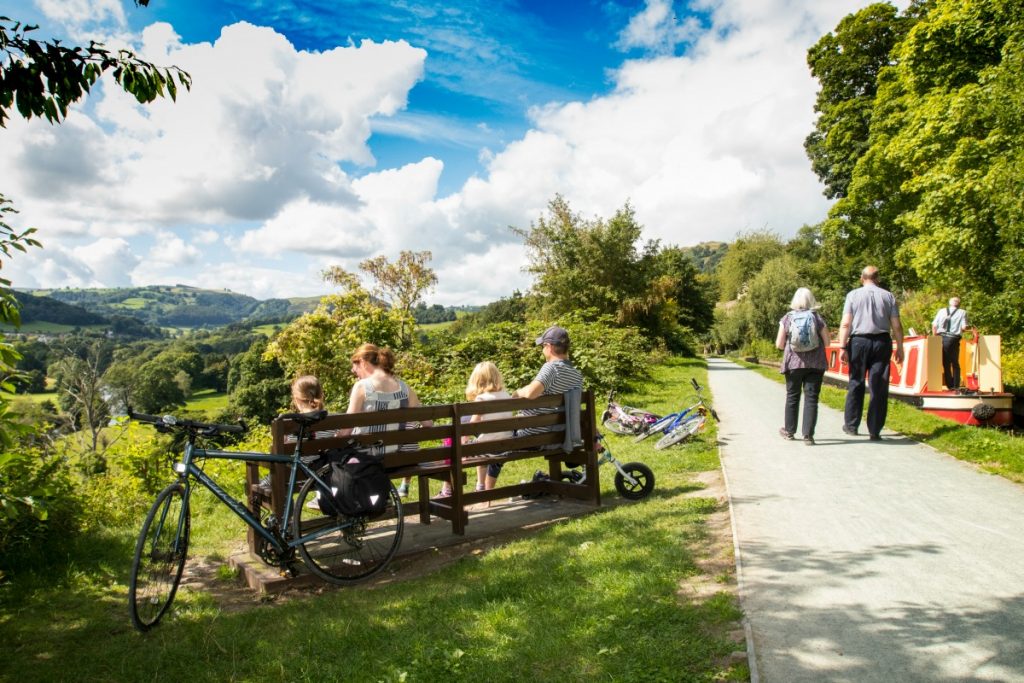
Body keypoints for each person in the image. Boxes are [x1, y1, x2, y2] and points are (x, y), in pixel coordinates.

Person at [497, 325, 584, 485]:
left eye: (542, 346)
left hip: (533, 437)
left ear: (549, 347)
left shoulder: (551, 368)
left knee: (492, 440)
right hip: (558, 437)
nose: (542, 350)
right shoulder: (576, 375)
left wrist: (517, 392)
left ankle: (482, 491)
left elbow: (531, 393)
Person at [343, 343, 426, 497]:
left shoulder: (362, 387)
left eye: (355, 366)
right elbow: (428, 423)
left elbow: (346, 429)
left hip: (367, 460)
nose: (353, 371)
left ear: (363, 362)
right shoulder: (404, 388)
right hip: (394, 459)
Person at [835, 266, 904, 441]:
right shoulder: (888, 296)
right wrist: (900, 347)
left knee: (856, 382)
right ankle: (875, 429)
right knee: (879, 385)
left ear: (861, 278)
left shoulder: (853, 295)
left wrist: (842, 347)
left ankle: (851, 425)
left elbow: (845, 324)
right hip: (882, 342)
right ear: (878, 279)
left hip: (859, 342)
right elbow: (896, 325)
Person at [775, 287, 831, 445]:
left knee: (792, 396)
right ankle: (808, 436)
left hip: (793, 363)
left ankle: (789, 431)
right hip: (815, 364)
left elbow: (779, 344)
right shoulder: (817, 318)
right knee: (811, 398)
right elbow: (827, 342)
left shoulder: (787, 318)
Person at [463, 361, 514, 492]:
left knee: (478, 443)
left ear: (477, 380)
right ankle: (485, 489)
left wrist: (463, 442)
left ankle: (480, 485)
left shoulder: (481, 399)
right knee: (488, 444)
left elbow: (472, 426)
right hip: (506, 445)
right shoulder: (507, 395)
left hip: (486, 447)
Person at [931, 297, 968, 390]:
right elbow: (964, 328)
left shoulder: (941, 311)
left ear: (949, 303)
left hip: (942, 338)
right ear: (959, 304)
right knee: (955, 363)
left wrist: (934, 336)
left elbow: (934, 325)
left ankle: (950, 385)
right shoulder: (963, 312)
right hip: (954, 339)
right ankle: (956, 385)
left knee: (946, 363)